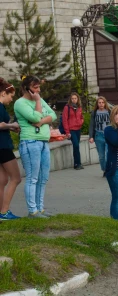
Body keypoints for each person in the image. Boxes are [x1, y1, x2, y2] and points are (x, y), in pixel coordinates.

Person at [14, 76, 56, 218]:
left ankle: (40, 208)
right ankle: (32, 210)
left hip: (43, 141)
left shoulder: (40, 99)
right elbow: (34, 118)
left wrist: (42, 121)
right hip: (30, 142)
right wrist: (38, 102)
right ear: (26, 88)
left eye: (39, 87)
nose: (38, 90)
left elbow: (53, 115)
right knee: (33, 177)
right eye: (35, 87)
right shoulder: (20, 103)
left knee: (43, 177)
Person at [0, 78, 22, 220]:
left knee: (2, 180)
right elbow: (1, 125)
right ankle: (4, 211)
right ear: (3, 94)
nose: (11, 99)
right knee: (16, 178)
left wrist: (11, 127)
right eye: (10, 96)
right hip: (3, 147)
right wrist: (12, 125)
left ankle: (1, 211)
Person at [89, 96, 111, 176]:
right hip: (98, 135)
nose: (101, 104)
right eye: (99, 103)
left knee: (108, 154)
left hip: (108, 135)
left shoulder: (109, 111)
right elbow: (91, 125)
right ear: (97, 104)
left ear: (105, 103)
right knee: (101, 156)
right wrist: (91, 136)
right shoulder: (94, 112)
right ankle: (104, 170)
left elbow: (113, 123)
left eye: (103, 102)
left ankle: (109, 170)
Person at [63, 92, 85, 170]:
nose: (74, 100)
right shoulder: (67, 107)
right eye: (72, 98)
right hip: (71, 129)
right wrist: (67, 132)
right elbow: (64, 120)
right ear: (70, 99)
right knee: (76, 145)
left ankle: (78, 163)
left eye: (75, 98)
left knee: (77, 146)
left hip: (78, 129)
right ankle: (77, 163)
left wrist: (81, 122)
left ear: (77, 99)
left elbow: (81, 116)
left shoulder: (79, 107)